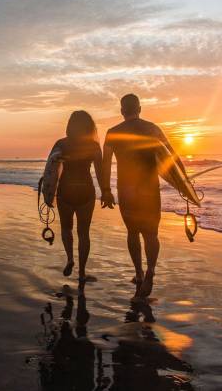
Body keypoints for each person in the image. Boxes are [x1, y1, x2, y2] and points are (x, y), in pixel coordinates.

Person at [100, 94, 184, 300]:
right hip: (149, 189)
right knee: (151, 234)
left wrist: (105, 191)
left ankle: (138, 273)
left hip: (126, 190)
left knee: (132, 233)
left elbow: (105, 163)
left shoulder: (113, 133)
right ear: (140, 108)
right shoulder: (153, 129)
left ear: (122, 110)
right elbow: (172, 157)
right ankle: (150, 272)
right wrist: (185, 182)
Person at [48, 111, 104, 282]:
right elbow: (100, 172)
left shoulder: (61, 144)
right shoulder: (93, 146)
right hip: (85, 190)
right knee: (84, 233)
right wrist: (106, 192)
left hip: (66, 190)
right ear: (89, 126)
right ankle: (82, 272)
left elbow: (50, 169)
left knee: (66, 229)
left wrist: (48, 194)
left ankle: (70, 259)